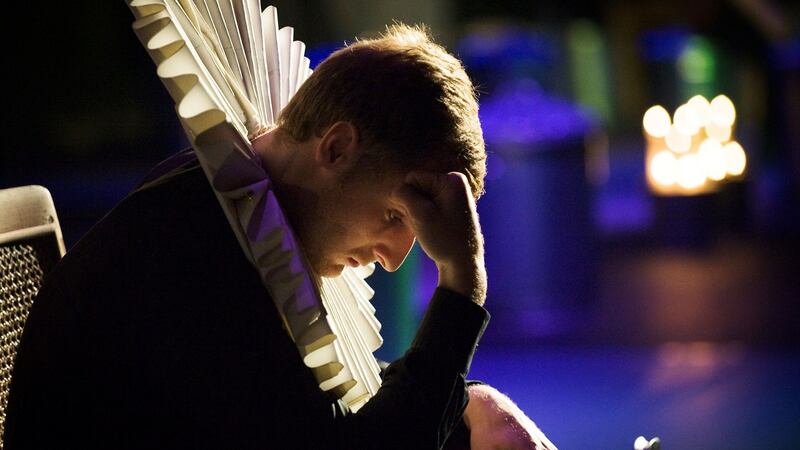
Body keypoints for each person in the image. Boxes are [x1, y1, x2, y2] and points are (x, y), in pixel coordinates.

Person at [4, 24, 555, 449]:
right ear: (335, 149)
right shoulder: (196, 257)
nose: (392, 259)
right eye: (395, 216)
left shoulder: (226, 212)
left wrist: (470, 403)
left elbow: (315, 416)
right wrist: (462, 285)